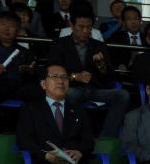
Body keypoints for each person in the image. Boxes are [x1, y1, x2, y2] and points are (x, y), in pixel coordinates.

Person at [48, 8, 129, 138]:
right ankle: (75, 135)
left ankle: (106, 137)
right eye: (81, 27)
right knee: (70, 94)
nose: (85, 31)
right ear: (72, 25)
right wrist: (75, 77)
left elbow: (109, 78)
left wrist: (101, 65)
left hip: (95, 89)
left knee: (123, 95)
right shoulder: (59, 45)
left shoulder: (99, 45)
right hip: (71, 88)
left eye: (89, 27)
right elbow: (52, 73)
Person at [107, 5, 145, 70]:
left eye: (135, 18)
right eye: (129, 19)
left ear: (140, 20)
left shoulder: (147, 37)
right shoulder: (116, 37)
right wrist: (119, 65)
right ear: (123, 22)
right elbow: (111, 57)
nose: (133, 22)